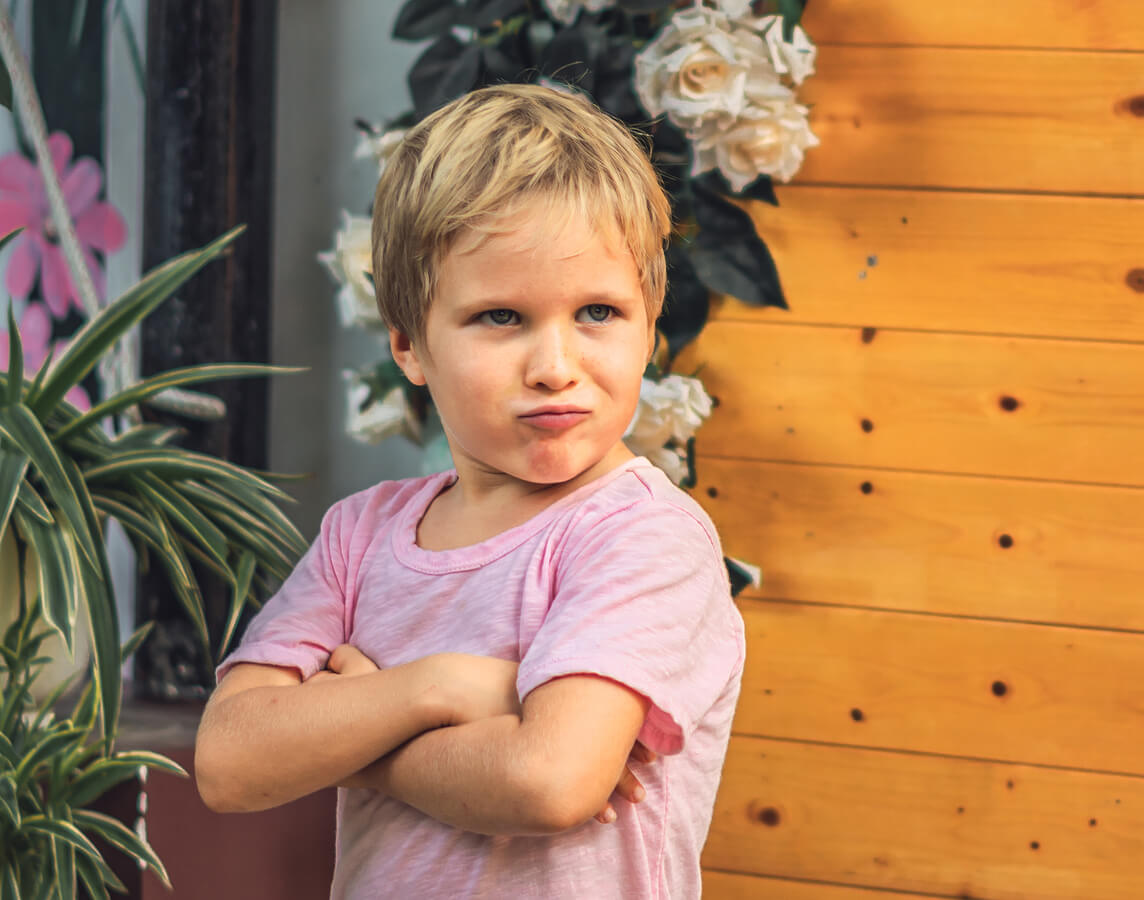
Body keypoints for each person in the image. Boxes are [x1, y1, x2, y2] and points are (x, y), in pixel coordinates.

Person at [193, 83, 745, 899]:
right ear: (410, 344)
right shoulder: (359, 535)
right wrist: (441, 688)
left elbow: (547, 783)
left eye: (598, 311)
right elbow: (230, 762)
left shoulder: (641, 536)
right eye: (500, 318)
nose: (555, 366)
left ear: (651, 323)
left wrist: (354, 732)